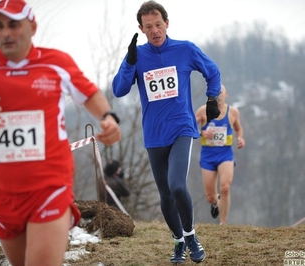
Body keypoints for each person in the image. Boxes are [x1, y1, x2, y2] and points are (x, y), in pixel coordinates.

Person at [0, 0, 121, 265]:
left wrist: (108, 117)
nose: (5, 33)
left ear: (32, 26)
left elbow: (89, 93)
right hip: (2, 193)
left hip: (49, 187)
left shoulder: (56, 62)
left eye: (14, 25)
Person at [112, 0, 221, 264]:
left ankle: (191, 236)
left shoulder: (185, 49)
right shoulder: (138, 56)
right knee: (164, 195)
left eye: (158, 25)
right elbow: (118, 90)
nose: (155, 30)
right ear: (141, 28)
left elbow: (213, 71)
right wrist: (129, 62)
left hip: (181, 128)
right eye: (148, 27)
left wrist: (211, 99)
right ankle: (178, 243)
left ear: (167, 23)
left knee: (177, 186)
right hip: (153, 135)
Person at [195, 84, 245, 225]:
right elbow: (190, 125)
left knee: (225, 187)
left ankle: (223, 223)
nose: (219, 96)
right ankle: (215, 202)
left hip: (225, 155)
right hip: (208, 156)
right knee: (210, 197)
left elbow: (238, 129)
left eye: (221, 92)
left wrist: (240, 138)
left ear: (226, 94)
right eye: (215, 93)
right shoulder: (203, 111)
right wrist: (202, 132)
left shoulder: (233, 112)